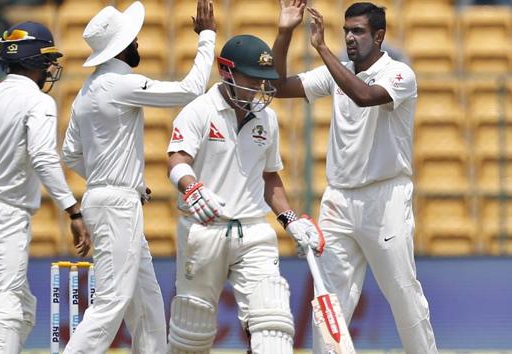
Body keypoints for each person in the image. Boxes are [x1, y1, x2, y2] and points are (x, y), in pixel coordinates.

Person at [272, 1, 438, 353]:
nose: (350, 37)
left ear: (379, 36)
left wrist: (320, 48)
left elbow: (364, 96)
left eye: (358, 31)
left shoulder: (399, 74)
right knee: (329, 303)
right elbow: (276, 87)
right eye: (346, 30)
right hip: (339, 200)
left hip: (385, 198)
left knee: (404, 295)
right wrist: (286, 30)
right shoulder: (337, 71)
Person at [60, 1, 216, 353]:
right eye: (134, 40)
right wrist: (207, 36)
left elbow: (71, 153)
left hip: (108, 197)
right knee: (112, 302)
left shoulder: (85, 92)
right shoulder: (119, 84)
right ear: (123, 46)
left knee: (147, 308)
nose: (139, 45)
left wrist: (117, 179)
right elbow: (191, 89)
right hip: (116, 205)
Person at [165, 34, 324, 354]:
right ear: (226, 72)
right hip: (205, 230)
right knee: (191, 336)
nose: (260, 88)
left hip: (253, 230)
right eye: (253, 78)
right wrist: (192, 189)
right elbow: (177, 158)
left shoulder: (268, 118)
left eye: (265, 80)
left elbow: (269, 176)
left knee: (273, 327)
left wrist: (290, 219)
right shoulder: (199, 110)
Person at [0, 21, 91, 354]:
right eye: (46, 60)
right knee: (5, 312)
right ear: (32, 62)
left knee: (23, 308)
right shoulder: (38, 102)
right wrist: (73, 210)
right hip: (3, 214)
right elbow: (43, 157)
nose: (50, 68)